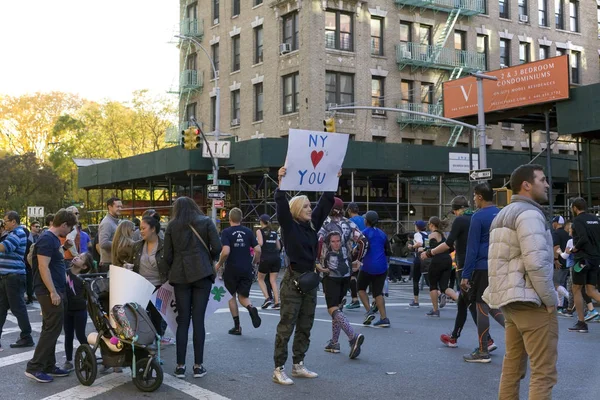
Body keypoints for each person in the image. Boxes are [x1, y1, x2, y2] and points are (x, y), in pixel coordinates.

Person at [483, 164, 557, 399]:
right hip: (530, 301)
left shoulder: (503, 214)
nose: (547, 185)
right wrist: (550, 300)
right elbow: (536, 262)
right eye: (542, 180)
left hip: (509, 301)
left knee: (512, 368)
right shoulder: (530, 214)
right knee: (543, 373)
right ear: (527, 184)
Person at [273, 166, 335, 386]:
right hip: (292, 282)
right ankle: (278, 368)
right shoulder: (289, 227)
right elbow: (280, 204)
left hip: (309, 282)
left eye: (310, 205)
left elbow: (326, 204)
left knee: (305, 325)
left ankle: (298, 364)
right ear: (297, 209)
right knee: (286, 326)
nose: (310, 209)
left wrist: (332, 178)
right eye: (306, 206)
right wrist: (281, 181)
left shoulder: (310, 226)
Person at [163, 197, 222, 379]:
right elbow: (218, 247)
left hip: (180, 276)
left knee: (183, 321)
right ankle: (198, 366)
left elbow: (167, 255)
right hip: (202, 274)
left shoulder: (172, 226)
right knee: (198, 320)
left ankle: (180, 366)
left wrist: (176, 266)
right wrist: (207, 257)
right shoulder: (206, 222)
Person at [26, 210, 78, 383]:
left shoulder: (53, 239)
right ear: (63, 224)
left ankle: (49, 365)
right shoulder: (47, 239)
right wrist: (53, 292)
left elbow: (54, 261)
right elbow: (43, 267)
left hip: (54, 289)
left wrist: (63, 248)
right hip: (48, 291)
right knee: (52, 329)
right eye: (69, 227)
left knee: (51, 327)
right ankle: (35, 366)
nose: (69, 231)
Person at [460, 183, 505, 363]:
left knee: (481, 305)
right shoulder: (502, 213)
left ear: (479, 196)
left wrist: (466, 274)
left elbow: (472, 248)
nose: (473, 200)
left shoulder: (478, 217)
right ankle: (518, 333)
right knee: (493, 304)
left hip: (482, 265)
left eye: (473, 196)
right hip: (500, 264)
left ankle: (482, 350)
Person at [319, 227, 365, 358]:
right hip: (344, 278)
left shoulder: (327, 243)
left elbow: (363, 242)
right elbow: (363, 241)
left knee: (333, 309)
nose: (336, 243)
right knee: (338, 310)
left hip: (333, 279)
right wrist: (357, 260)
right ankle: (334, 342)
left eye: (338, 241)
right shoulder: (348, 231)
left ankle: (352, 336)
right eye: (333, 241)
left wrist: (320, 268)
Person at [215, 208, 262, 335]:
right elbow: (258, 249)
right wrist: (254, 262)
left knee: (231, 297)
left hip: (232, 269)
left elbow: (225, 251)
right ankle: (251, 308)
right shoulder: (248, 231)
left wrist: (219, 264)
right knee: (243, 296)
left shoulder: (226, 232)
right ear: (241, 219)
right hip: (246, 268)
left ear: (229, 219)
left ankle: (237, 327)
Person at [0, 211, 34, 351]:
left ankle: (27, 336)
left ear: (14, 221)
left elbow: (4, 247)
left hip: (14, 276)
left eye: (6, 221)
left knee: (18, 308)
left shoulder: (18, 233)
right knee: (1, 309)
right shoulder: (11, 234)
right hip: (7, 276)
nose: (4, 223)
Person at [568, 197, 600, 333]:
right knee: (590, 290)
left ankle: (581, 322)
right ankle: (582, 321)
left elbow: (583, 238)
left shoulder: (577, 221)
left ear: (575, 208)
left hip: (582, 259)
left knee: (576, 288)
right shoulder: (596, 219)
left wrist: (574, 248)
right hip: (595, 258)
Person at [132, 216, 167, 336]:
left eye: (143, 228)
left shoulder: (165, 246)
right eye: (140, 228)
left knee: (158, 317)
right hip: (141, 286)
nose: (140, 231)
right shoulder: (137, 246)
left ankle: (157, 339)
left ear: (153, 229)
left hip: (159, 287)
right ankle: (147, 341)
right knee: (142, 317)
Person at [62, 252, 94, 372]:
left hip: (80, 310)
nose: (76, 257)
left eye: (81, 258)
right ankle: (68, 360)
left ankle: (90, 357)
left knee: (80, 335)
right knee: (68, 335)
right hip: (67, 310)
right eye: (78, 256)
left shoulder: (85, 279)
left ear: (84, 266)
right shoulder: (65, 272)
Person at [420, 217, 458, 317]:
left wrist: (425, 252)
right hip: (447, 260)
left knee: (433, 285)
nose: (428, 226)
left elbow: (431, 249)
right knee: (445, 287)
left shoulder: (432, 235)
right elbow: (451, 248)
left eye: (428, 224)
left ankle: (435, 310)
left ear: (432, 224)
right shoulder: (443, 235)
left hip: (437, 260)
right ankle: (460, 300)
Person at [360, 211, 392, 328]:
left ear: (366, 221)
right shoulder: (382, 234)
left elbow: (360, 248)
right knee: (378, 292)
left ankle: (369, 311)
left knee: (361, 288)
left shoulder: (364, 233)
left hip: (368, 265)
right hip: (382, 266)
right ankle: (384, 318)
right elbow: (388, 250)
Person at [256, 214, 282, 310]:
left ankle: (267, 298)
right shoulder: (274, 232)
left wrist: (256, 246)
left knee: (260, 279)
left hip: (265, 258)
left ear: (261, 221)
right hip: (275, 258)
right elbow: (278, 247)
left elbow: (261, 243)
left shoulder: (260, 231)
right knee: (273, 280)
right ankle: (277, 302)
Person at [551, 216, 571, 313]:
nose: (552, 224)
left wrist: (555, 259)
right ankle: (560, 306)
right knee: (562, 284)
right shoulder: (567, 234)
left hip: (559, 262)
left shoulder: (556, 233)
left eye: (553, 222)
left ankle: (571, 299)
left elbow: (556, 247)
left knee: (556, 284)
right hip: (567, 262)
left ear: (556, 223)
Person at [98, 197, 122, 273]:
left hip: (113, 262)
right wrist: (121, 245)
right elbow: (103, 243)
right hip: (108, 263)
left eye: (121, 207)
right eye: (117, 206)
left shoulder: (115, 222)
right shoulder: (107, 223)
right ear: (109, 207)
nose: (120, 209)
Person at [407, 220, 428, 308]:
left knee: (415, 279)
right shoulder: (427, 234)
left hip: (418, 258)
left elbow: (419, 243)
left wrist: (412, 246)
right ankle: (438, 294)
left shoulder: (417, 234)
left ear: (417, 227)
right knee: (428, 279)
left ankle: (416, 300)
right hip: (426, 258)